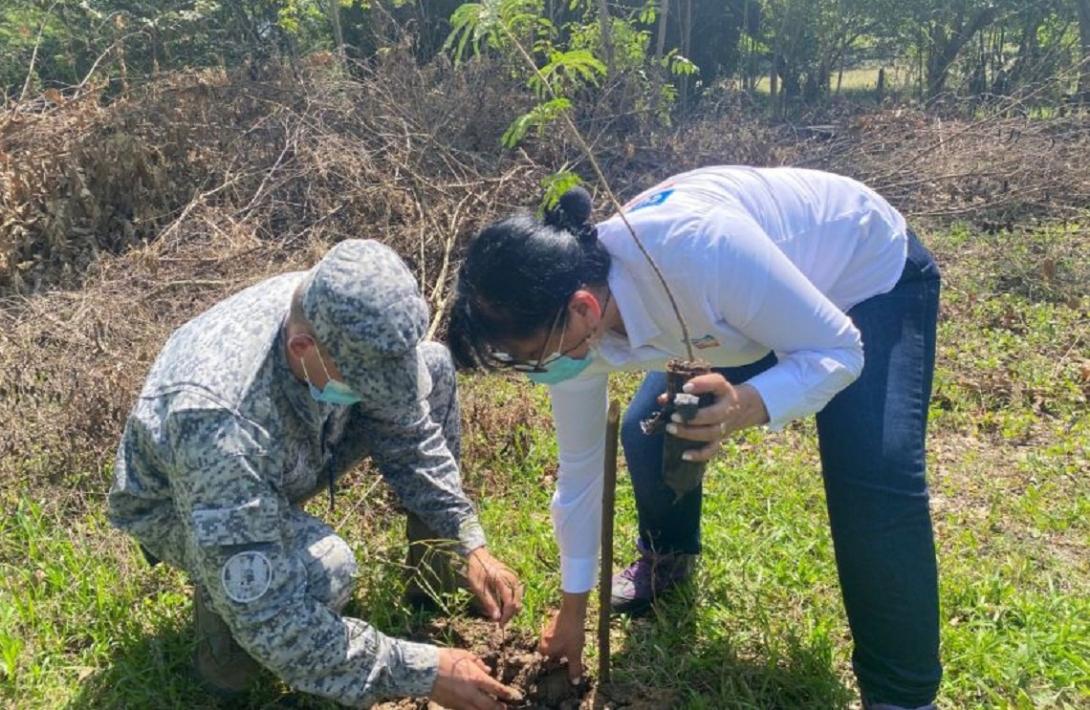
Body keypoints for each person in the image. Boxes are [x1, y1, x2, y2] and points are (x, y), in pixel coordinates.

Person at [447, 167, 943, 710]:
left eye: (533, 359)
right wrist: (574, 611)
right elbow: (582, 471)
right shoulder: (570, 317)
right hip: (741, 313)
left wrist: (745, 406)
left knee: (875, 481)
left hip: (861, 279)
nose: (535, 375)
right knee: (648, 432)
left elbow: (839, 352)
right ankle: (669, 560)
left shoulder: (699, 254)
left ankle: (902, 694)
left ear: (583, 311)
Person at [109, 240, 524, 710]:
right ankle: (226, 660)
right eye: (363, 382)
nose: (376, 392)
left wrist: (465, 538)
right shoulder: (217, 421)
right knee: (326, 568)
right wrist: (420, 671)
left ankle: (438, 575)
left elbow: (408, 430)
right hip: (185, 499)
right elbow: (271, 616)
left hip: (287, 448)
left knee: (435, 371)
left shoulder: (336, 308)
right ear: (303, 349)